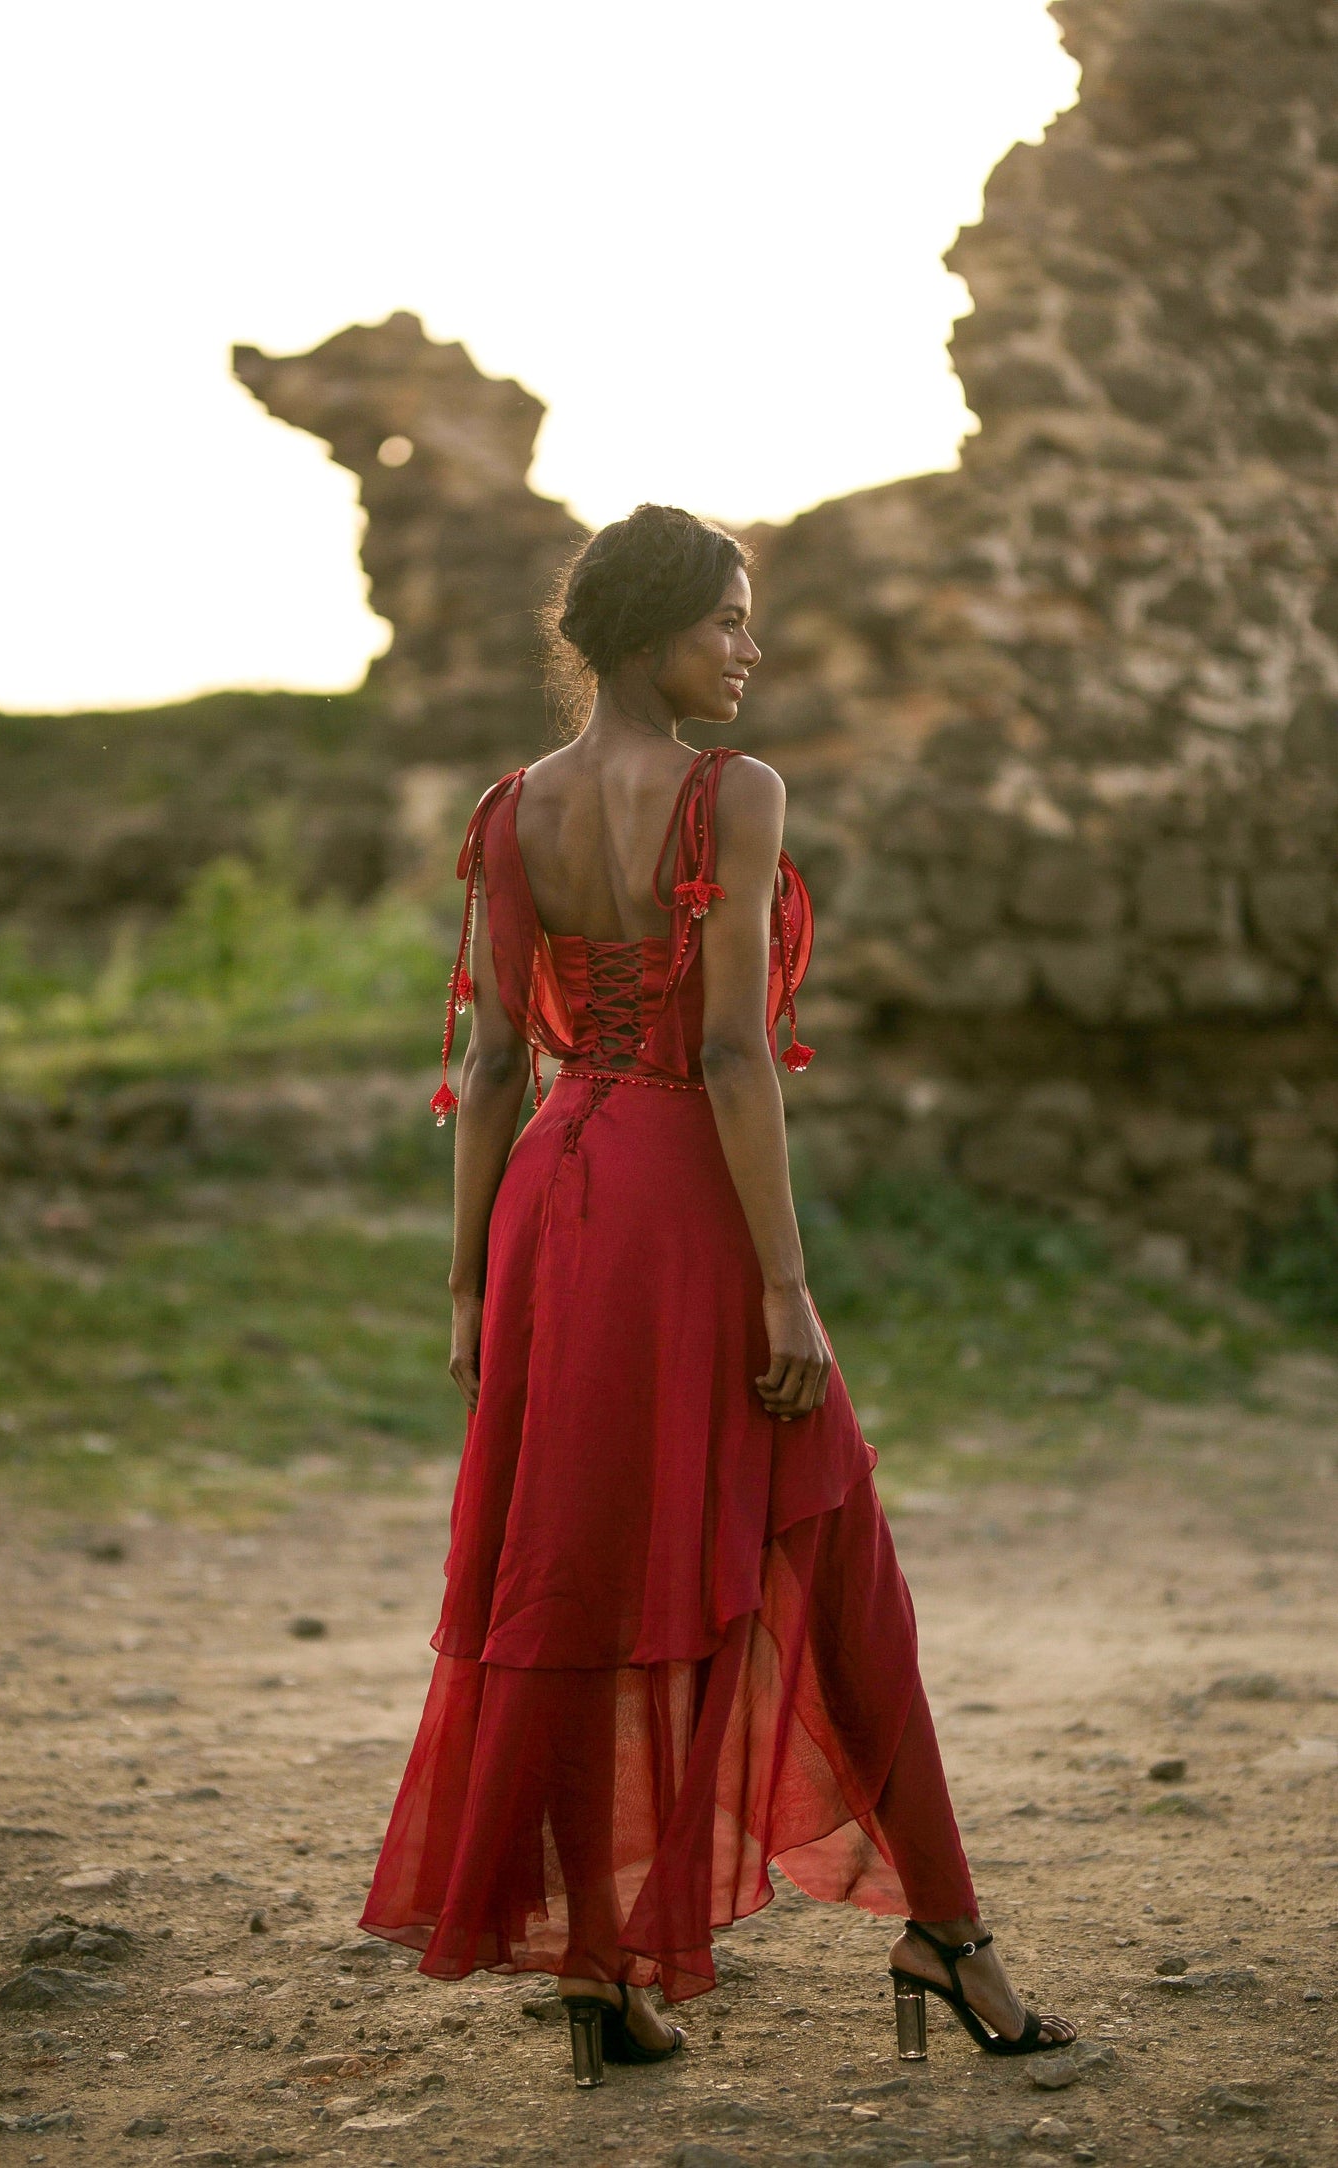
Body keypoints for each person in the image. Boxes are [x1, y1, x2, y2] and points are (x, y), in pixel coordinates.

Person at [359, 503, 1075, 2084]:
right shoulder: (727, 795)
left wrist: (472, 1286)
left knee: (572, 1577)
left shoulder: (508, 810)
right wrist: (787, 1291)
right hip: (679, 1201)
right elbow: (736, 1049)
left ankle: (600, 1978)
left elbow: (490, 1065)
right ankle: (944, 1933)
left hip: (555, 1204)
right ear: (648, 632)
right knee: (834, 1557)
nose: (749, 649)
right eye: (729, 620)